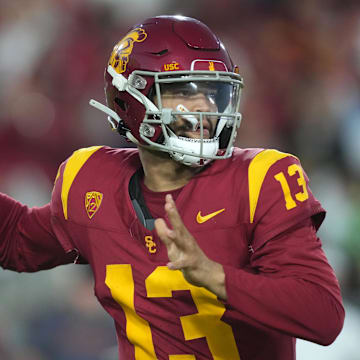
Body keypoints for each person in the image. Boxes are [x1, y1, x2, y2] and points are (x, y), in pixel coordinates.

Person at [0, 15, 344, 360]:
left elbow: (324, 316)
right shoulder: (91, 180)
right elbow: (16, 242)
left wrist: (214, 276)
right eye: (183, 91)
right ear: (129, 99)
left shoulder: (260, 179)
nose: (205, 108)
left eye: (213, 92)